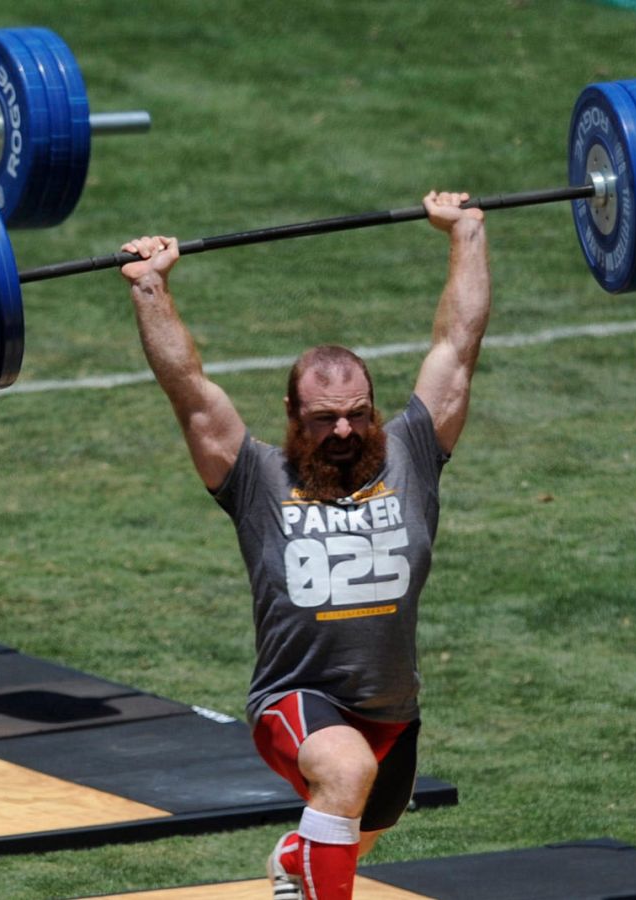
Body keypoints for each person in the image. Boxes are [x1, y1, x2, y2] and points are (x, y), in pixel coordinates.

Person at [118, 191, 490, 900]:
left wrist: (466, 233)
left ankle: (295, 860)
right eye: (326, 420)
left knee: (358, 817)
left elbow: (458, 347)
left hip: (392, 708)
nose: (345, 432)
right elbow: (189, 389)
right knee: (345, 777)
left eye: (356, 415)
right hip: (297, 699)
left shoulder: (412, 453)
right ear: (293, 413)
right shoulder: (256, 475)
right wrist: (150, 287)